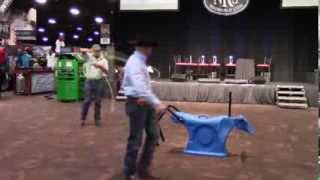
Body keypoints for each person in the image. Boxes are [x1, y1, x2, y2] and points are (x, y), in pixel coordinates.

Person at [122, 38, 166, 180]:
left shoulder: (139, 61)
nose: (151, 50)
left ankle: (142, 169)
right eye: (150, 47)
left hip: (143, 102)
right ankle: (130, 173)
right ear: (144, 47)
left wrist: (148, 99)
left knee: (153, 135)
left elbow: (141, 86)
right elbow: (140, 86)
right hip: (137, 103)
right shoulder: (134, 62)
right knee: (136, 139)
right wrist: (157, 103)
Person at [81, 44, 109, 127]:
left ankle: (97, 119)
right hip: (89, 81)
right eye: (96, 51)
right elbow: (82, 51)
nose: (97, 52)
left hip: (99, 81)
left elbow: (107, 72)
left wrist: (100, 67)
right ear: (93, 51)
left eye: (98, 51)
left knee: (98, 101)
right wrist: (89, 50)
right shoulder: (89, 57)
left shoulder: (104, 60)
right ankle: (83, 118)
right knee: (87, 100)